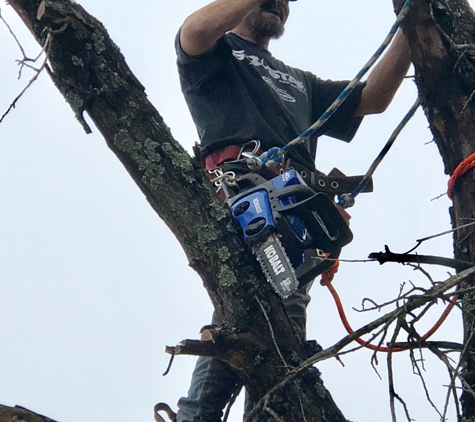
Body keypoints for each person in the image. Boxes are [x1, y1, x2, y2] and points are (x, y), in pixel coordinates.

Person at [174, 0, 411, 420]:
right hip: (244, 198)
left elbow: (372, 98)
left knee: (270, 317)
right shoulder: (218, 54)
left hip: (296, 213)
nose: (280, 4)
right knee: (259, 310)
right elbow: (192, 34)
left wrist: (413, 25)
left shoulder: (302, 83)